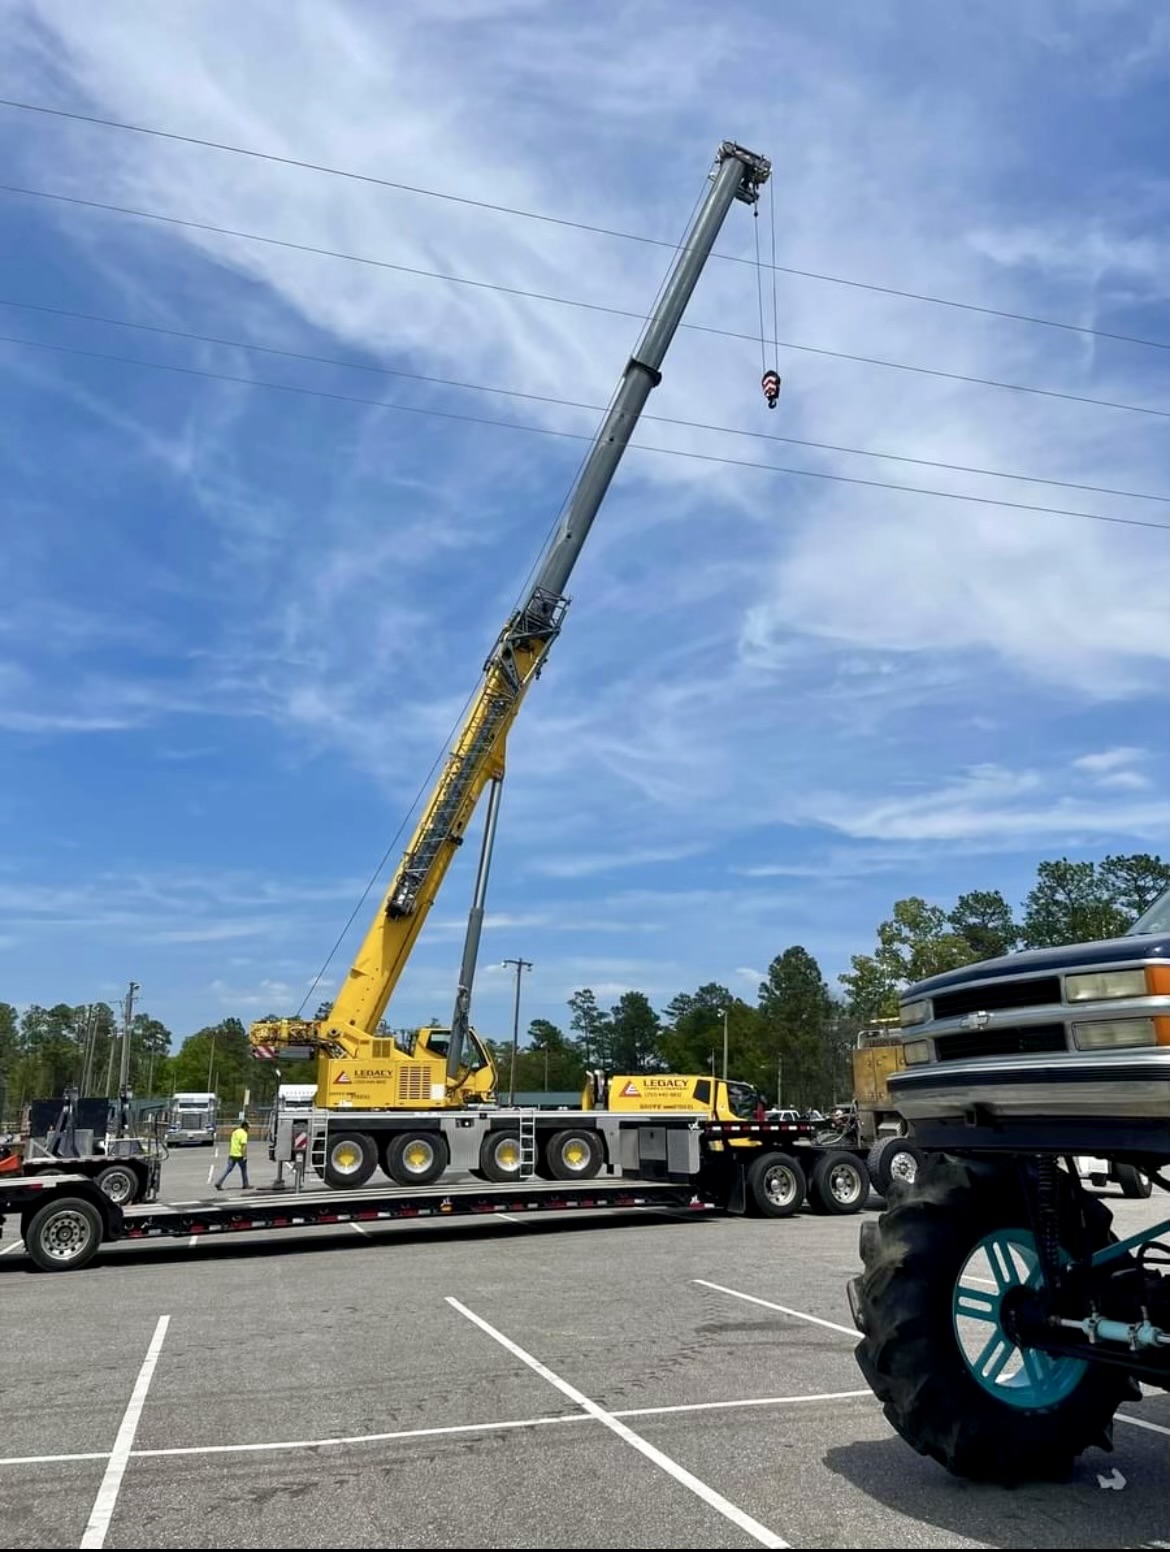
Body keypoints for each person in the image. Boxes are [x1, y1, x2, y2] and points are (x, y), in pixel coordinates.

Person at [215, 1119, 251, 1190]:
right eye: (248, 1127)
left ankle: (219, 1182)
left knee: (228, 1169)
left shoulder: (235, 1132)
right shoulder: (244, 1133)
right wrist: (244, 1156)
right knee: (244, 1170)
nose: (248, 1128)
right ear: (244, 1126)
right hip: (239, 1155)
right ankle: (245, 1184)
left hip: (232, 1154)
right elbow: (243, 1145)